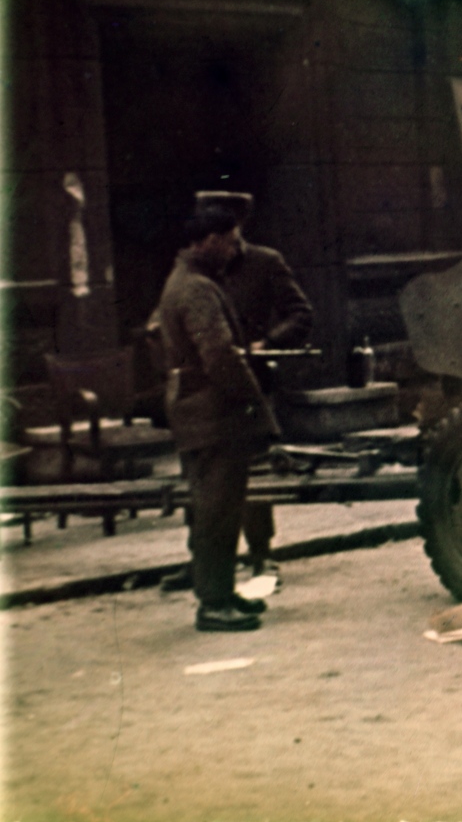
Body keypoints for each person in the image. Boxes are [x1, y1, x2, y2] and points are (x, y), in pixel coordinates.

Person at [157, 204, 279, 631]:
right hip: (213, 416)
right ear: (208, 241)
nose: (234, 249)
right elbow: (220, 357)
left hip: (200, 413)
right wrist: (255, 406)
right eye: (230, 241)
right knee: (216, 512)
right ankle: (213, 604)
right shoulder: (196, 290)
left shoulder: (190, 281)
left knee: (218, 510)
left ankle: (222, 593)